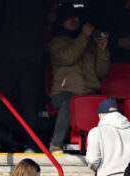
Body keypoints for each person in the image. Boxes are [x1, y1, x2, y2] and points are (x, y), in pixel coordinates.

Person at [46, 7, 110, 152]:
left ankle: (109, 147)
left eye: (76, 17)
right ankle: (55, 144)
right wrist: (83, 36)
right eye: (69, 18)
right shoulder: (56, 43)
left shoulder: (88, 43)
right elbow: (69, 57)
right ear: (62, 22)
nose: (74, 20)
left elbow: (101, 72)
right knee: (70, 102)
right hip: (64, 92)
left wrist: (102, 50)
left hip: (88, 92)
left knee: (109, 105)